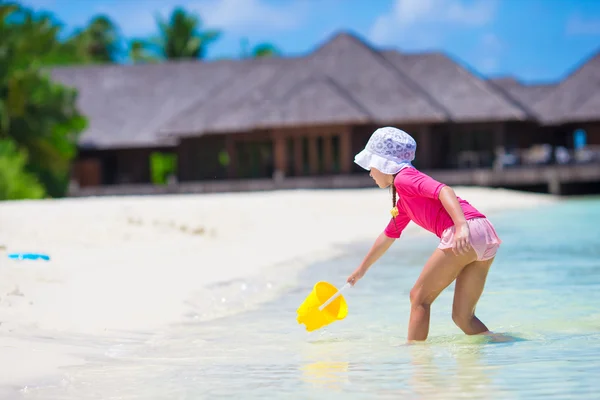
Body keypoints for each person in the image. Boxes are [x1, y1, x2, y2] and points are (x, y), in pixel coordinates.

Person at [347, 127, 501, 342]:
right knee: (463, 318)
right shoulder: (404, 203)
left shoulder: (404, 178)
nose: (370, 172)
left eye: (371, 165)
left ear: (384, 163)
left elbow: (443, 190)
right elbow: (387, 236)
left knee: (418, 298)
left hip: (466, 229)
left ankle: (418, 365)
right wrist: (361, 270)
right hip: (484, 233)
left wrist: (461, 226)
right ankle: (508, 344)